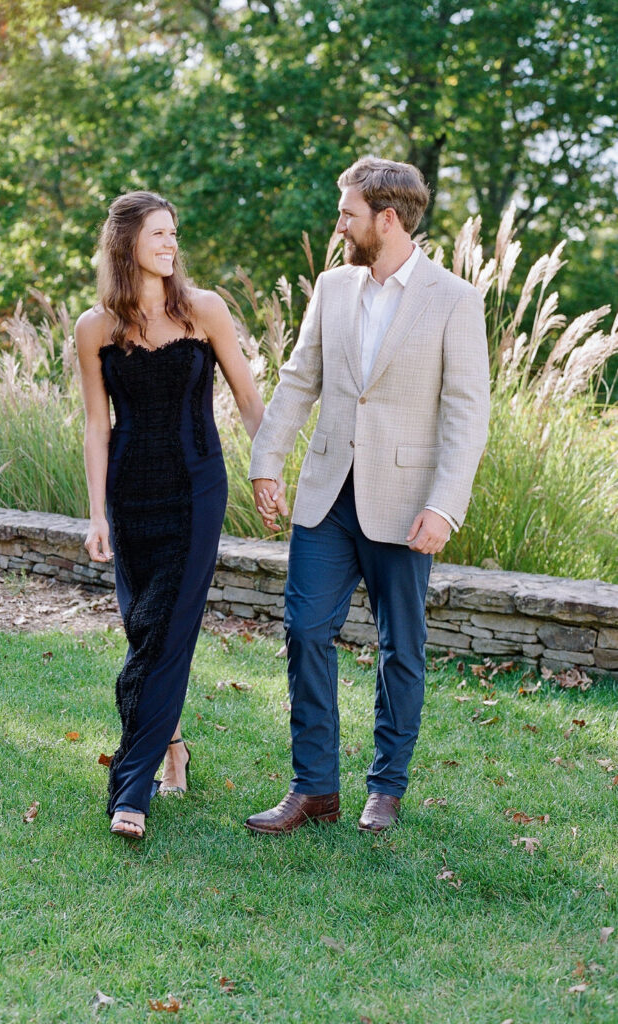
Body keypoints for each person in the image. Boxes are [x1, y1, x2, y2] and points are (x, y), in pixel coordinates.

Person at [245, 156, 490, 836]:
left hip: (407, 503)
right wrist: (268, 457)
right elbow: (299, 381)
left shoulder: (455, 299)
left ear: (386, 219)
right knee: (304, 630)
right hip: (327, 497)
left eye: (348, 213)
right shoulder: (333, 287)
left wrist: (444, 505)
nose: (339, 224)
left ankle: (385, 788)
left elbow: (467, 415)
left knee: (400, 647)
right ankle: (314, 788)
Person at [75, 191, 266, 840]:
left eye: (174, 234)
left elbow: (246, 396)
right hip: (130, 497)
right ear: (126, 242)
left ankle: (132, 791)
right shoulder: (94, 327)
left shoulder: (204, 310)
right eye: (158, 233)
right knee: (144, 630)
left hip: (196, 492)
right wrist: (96, 513)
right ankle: (173, 748)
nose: (170, 244)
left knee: (163, 633)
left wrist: (267, 473)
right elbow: (97, 426)